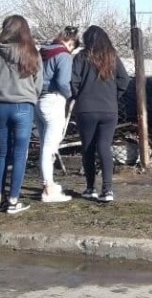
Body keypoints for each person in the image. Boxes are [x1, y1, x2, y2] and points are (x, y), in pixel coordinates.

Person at [0, 14, 42, 214]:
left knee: (2, 153)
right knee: (19, 156)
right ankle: (13, 201)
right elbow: (38, 83)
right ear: (24, 30)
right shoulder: (31, 52)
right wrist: (29, 97)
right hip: (22, 107)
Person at [70, 25, 128, 203]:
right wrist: (113, 96)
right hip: (109, 109)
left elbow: (73, 81)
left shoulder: (81, 56)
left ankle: (90, 188)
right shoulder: (113, 58)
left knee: (88, 148)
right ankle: (107, 189)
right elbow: (124, 80)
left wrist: (78, 96)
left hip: (86, 109)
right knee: (104, 146)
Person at [37, 26, 78, 203]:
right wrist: (71, 95)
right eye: (72, 48)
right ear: (70, 42)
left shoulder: (43, 51)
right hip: (54, 100)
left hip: (38, 99)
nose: (71, 51)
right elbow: (62, 82)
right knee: (50, 146)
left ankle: (49, 182)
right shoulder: (63, 55)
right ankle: (48, 189)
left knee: (44, 143)